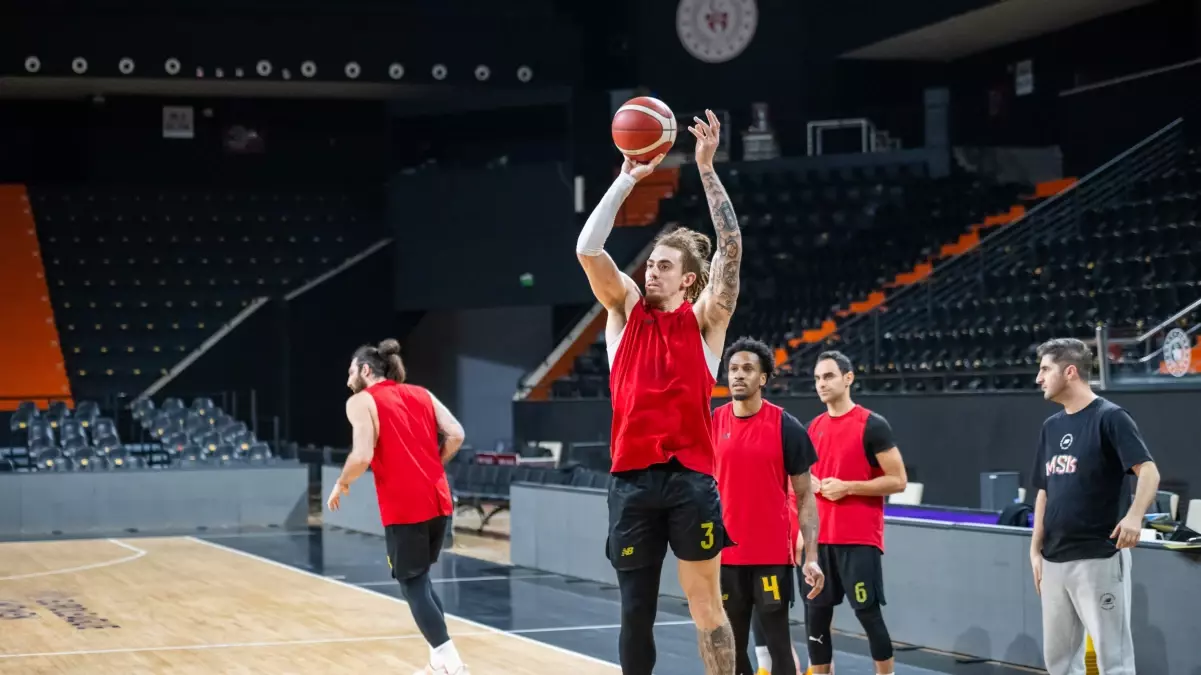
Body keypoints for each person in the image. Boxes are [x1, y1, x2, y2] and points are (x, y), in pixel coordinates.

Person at [575, 109, 743, 674]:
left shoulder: (704, 322)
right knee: (635, 613)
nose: (651, 271)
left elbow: (731, 249)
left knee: (706, 606)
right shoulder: (623, 310)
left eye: (664, 266)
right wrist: (627, 177)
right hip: (631, 480)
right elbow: (588, 248)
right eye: (650, 263)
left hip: (691, 479)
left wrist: (706, 169)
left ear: (688, 280)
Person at [326, 339, 469, 675]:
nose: (348, 379)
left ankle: (453, 664)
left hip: (405, 505)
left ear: (365, 370)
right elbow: (456, 434)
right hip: (439, 497)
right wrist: (432, 465)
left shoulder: (361, 401)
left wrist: (342, 482)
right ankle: (438, 663)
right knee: (422, 579)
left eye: (351, 371)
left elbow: (361, 455)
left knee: (413, 584)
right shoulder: (421, 393)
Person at [1029, 338, 1159, 675]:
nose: (1039, 378)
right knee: (1058, 662)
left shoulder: (1111, 417)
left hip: (1098, 557)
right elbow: (1044, 490)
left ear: (1070, 372)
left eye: (1045, 369)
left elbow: (1149, 472)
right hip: (1054, 559)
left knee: (1112, 661)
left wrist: (1134, 517)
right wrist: (1035, 548)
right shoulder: (1051, 427)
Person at [712, 337, 822, 675]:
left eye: (747, 369)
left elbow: (805, 496)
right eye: (733, 369)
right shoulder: (712, 423)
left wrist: (812, 556)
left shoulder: (787, 426)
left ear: (762, 378)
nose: (738, 375)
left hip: (771, 557)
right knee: (732, 646)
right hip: (726, 558)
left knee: (778, 644)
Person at [802, 351, 908, 675]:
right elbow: (802, 483)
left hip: (858, 540)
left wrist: (848, 487)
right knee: (816, 616)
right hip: (819, 542)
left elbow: (898, 481)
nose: (821, 384)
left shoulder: (872, 424)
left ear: (848, 378)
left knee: (868, 614)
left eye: (828, 376)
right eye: (817, 378)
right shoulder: (812, 428)